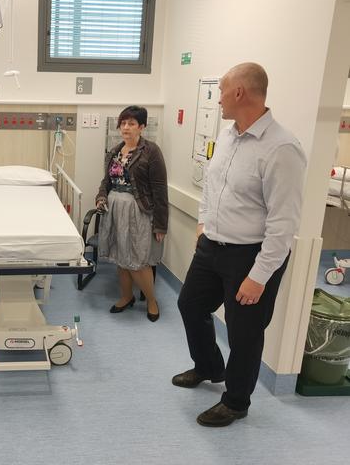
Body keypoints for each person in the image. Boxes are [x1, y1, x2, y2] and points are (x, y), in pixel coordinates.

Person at [172, 63, 307, 427]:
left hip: (251, 254)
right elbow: (214, 185)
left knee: (244, 331)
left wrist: (259, 276)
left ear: (239, 93)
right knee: (190, 305)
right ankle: (208, 366)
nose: (218, 100)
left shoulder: (282, 148)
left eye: (222, 92)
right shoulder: (229, 135)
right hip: (212, 246)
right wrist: (202, 224)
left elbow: (284, 224)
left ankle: (236, 401)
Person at [95, 105, 168, 321]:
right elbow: (105, 182)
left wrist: (161, 225)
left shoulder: (151, 151)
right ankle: (126, 297)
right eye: (123, 123)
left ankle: (152, 301)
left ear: (142, 127)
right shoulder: (115, 151)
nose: (126, 127)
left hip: (139, 211)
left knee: (139, 261)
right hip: (115, 210)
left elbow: (160, 189)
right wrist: (101, 197)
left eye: (131, 123)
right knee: (121, 258)